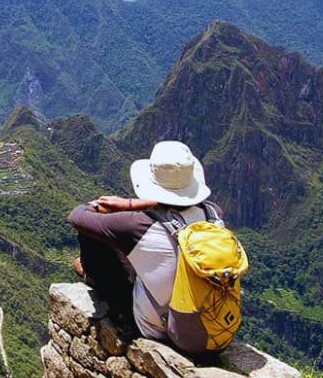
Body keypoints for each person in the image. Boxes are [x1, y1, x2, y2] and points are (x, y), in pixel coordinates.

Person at [67, 141, 224, 342]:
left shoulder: (138, 226)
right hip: (215, 326)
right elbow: (174, 204)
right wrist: (130, 204)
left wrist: (99, 206)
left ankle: (100, 286)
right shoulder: (213, 214)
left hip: (159, 327)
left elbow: (76, 217)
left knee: (92, 234)